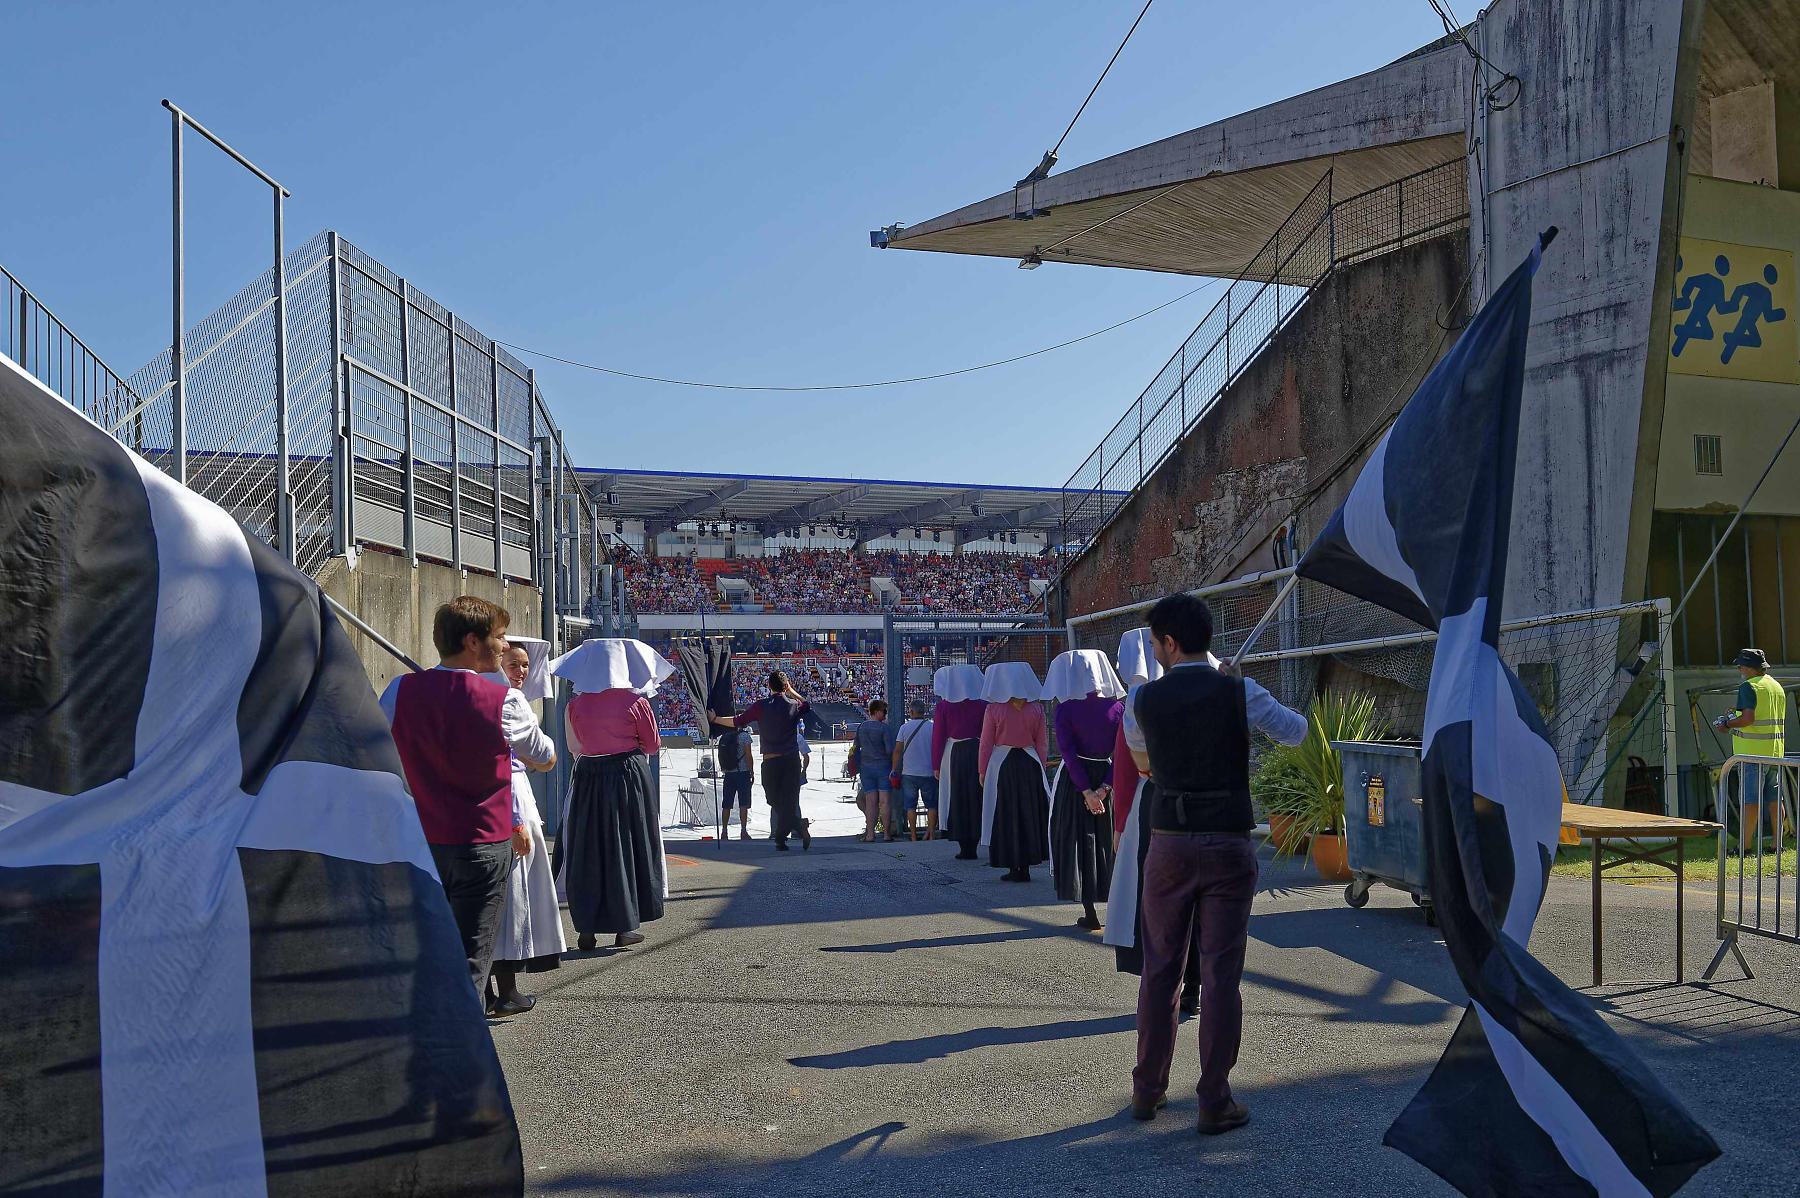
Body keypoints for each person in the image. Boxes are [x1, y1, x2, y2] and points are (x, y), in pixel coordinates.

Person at [1124, 593, 1306, 1134]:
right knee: (1221, 973)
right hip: (1228, 842)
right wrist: (1233, 692)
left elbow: (1146, 765)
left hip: (1170, 842)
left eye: (1156, 643)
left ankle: (1147, 1089)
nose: (1155, 651)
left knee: (1161, 969)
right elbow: (1294, 730)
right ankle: (1214, 1097)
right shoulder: (1240, 691)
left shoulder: (1142, 700)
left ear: (1171, 643)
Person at [380, 597, 554, 1000]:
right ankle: (462, 1051)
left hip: (422, 841)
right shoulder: (505, 701)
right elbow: (545, 758)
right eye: (498, 637)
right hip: (481, 843)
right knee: (472, 961)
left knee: (429, 954)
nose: (504, 645)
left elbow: (373, 749)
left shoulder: (399, 690)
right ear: (473, 641)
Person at [1103, 629, 1202, 1017]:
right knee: (1197, 895)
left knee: (1157, 897)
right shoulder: (1201, 694)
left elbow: (1127, 769)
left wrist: (1119, 822)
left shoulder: (1137, 704)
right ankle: (1195, 985)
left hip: (1155, 804)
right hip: (1201, 802)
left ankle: (1164, 985)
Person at [550, 638, 670, 951]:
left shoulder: (576, 704)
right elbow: (653, 746)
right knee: (626, 846)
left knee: (589, 848)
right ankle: (625, 925)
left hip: (589, 775)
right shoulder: (636, 702)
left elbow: (574, 747)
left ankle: (586, 929)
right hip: (627, 776)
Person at [486, 641, 565, 1016]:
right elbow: (544, 755)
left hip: (508, 796)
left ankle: (492, 989)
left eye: (524, 666)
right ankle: (507, 989)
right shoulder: (507, 702)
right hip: (510, 801)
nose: (521, 672)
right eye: (513, 663)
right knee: (512, 896)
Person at [1044, 649, 1127, 931]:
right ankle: (1115, 908)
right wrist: (1105, 787)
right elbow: (1122, 752)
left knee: (1079, 842)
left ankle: (1089, 910)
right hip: (1106, 777)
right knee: (1106, 841)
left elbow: (1066, 751)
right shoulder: (1117, 708)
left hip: (1076, 780)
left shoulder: (1065, 708)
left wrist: (1086, 791)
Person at [712, 671, 813, 851]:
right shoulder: (793, 704)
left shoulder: (761, 706)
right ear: (785, 687)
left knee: (773, 800)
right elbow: (807, 704)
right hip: (791, 760)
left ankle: (792, 829)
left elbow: (737, 721)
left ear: (768, 687)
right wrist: (792, 692)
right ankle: (786, 835)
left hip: (771, 760)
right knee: (788, 800)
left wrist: (715, 719)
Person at [977, 662, 1050, 882]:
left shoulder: (993, 709)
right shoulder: (1036, 708)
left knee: (1006, 814)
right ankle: (1027, 863)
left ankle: (1012, 863)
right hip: (1030, 763)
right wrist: (1042, 767)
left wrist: (982, 769)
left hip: (1003, 764)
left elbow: (986, 743)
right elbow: (1042, 743)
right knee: (1029, 812)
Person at [1714, 647, 1788, 850]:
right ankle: (1776, 844)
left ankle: (1744, 846)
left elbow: (1748, 719)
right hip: (1774, 753)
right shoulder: (1775, 686)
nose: (1739, 668)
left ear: (1749, 668)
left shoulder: (1748, 687)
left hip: (1751, 754)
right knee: (1775, 800)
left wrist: (1727, 724)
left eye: (1741, 665)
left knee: (1749, 801)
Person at [931, 664, 988, 860]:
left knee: (956, 797)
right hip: (976, 750)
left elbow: (938, 737)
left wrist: (936, 764)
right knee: (976, 797)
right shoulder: (982, 705)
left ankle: (964, 844)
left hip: (953, 753)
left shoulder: (944, 706)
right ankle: (976, 837)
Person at [891, 699, 937, 841]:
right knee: (931, 805)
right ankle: (931, 834)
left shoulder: (904, 728)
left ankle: (913, 835)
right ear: (924, 712)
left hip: (909, 773)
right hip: (929, 772)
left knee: (911, 806)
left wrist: (894, 769)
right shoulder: (932, 727)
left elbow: (898, 751)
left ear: (911, 712)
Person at [853, 700, 898, 841]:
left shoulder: (861, 727)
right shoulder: (884, 729)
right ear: (877, 711)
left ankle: (870, 834)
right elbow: (889, 750)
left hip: (866, 768)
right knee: (885, 802)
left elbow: (856, 747)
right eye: (884, 711)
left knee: (870, 802)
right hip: (883, 768)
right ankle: (886, 834)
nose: (885, 715)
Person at [719, 728, 756, 841]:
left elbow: (720, 755)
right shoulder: (744, 736)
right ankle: (743, 831)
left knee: (727, 803)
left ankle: (724, 831)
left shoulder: (724, 736)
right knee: (743, 803)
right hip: (742, 772)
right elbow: (748, 755)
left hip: (729, 773)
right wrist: (752, 771)